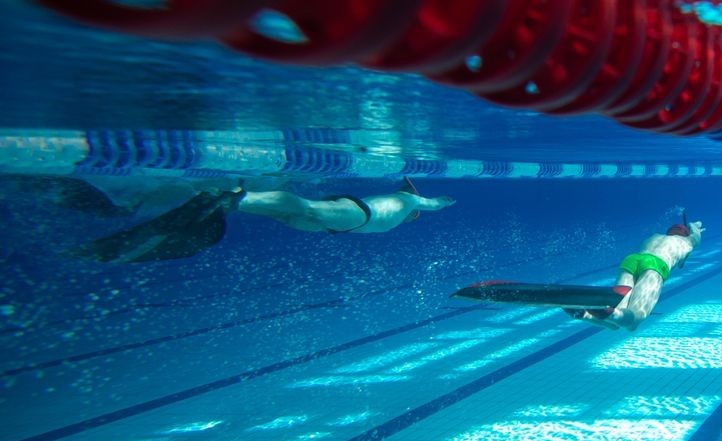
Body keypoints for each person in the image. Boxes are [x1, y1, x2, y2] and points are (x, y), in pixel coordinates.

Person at [71, 176, 455, 263]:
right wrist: (442, 202)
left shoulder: (402, 210)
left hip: (337, 225)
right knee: (300, 207)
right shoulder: (407, 199)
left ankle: (232, 200)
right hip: (353, 214)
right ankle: (237, 197)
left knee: (294, 210)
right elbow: (434, 203)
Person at [571, 215, 704, 332]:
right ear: (685, 234)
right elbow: (696, 234)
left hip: (632, 260)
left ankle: (584, 314)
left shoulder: (654, 237)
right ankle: (610, 314)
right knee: (635, 318)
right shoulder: (686, 242)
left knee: (617, 320)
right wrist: (696, 226)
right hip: (655, 264)